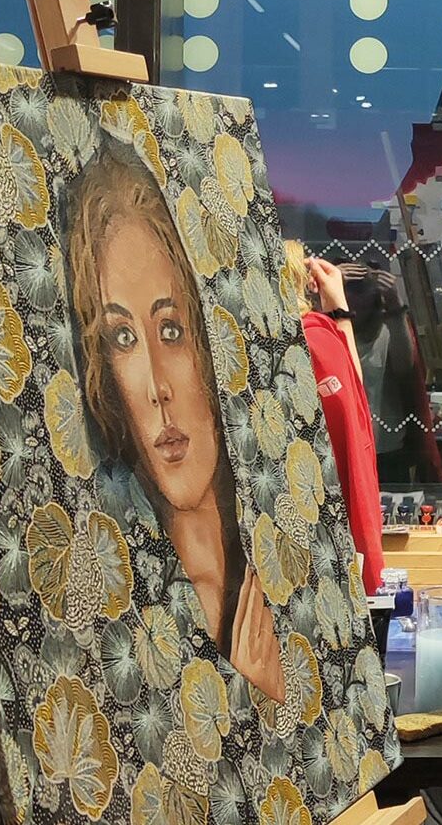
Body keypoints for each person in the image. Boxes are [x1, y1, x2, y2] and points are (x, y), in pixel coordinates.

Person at [68, 139, 285, 703]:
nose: (156, 387)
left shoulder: (285, 569)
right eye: (122, 338)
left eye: (171, 330)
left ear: (212, 345)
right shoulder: (114, 621)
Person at [282, 241, 384, 594]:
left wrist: (339, 312)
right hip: (325, 524)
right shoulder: (312, 338)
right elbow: (352, 409)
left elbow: (350, 392)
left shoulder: (297, 338)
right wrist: (338, 307)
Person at [343, 260, 442, 485]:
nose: (354, 304)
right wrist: (327, 296)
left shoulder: (388, 329)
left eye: (361, 291)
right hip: (344, 446)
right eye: (347, 292)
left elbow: (405, 368)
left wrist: (395, 307)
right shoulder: (332, 328)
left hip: (386, 449)